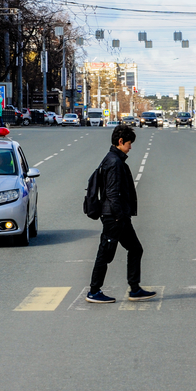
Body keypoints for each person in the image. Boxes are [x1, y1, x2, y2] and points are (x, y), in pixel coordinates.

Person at [86, 124, 156, 303]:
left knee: (135, 249)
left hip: (119, 216)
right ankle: (94, 291)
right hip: (114, 217)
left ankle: (134, 288)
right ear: (120, 142)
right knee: (105, 253)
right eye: (129, 143)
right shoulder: (114, 162)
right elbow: (112, 193)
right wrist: (118, 217)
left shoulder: (112, 159)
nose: (131, 147)